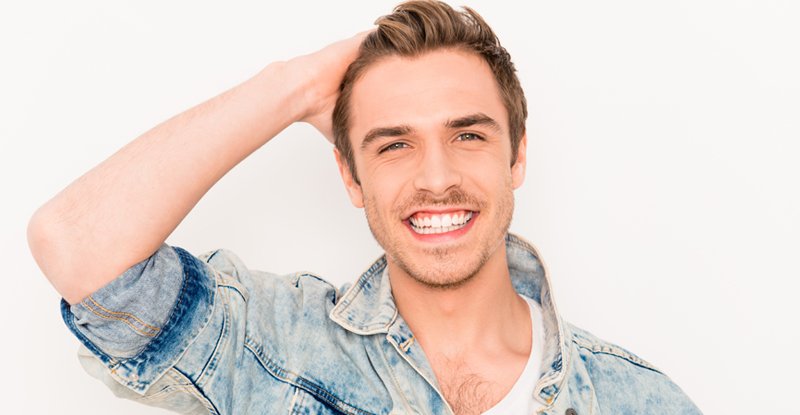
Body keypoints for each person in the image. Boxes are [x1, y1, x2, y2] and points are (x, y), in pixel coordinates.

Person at [27, 1, 701, 414]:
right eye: (394, 144)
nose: (437, 179)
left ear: (517, 156)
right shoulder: (276, 346)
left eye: (467, 134)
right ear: (350, 176)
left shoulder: (636, 401)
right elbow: (77, 244)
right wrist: (292, 88)